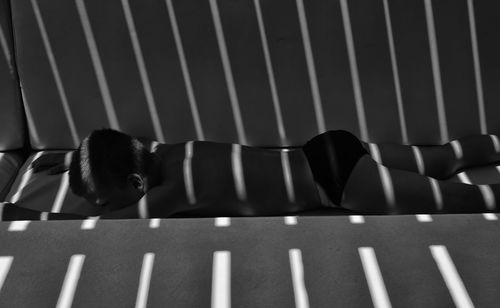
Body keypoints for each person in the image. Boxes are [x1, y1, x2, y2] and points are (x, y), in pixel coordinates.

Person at [1, 129, 500, 220]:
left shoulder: (166, 196)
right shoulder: (171, 152)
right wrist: (69, 162)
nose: (99, 210)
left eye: (105, 201)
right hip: (329, 146)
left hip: (340, 185)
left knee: (468, 200)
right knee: (445, 158)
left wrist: (24, 212)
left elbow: (94, 230)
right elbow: (111, 149)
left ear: (135, 186)